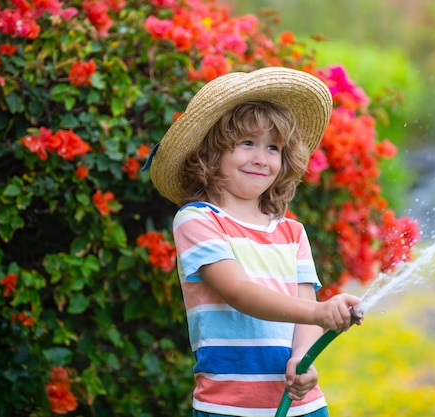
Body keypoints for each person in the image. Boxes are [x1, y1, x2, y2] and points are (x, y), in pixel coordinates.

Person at [145, 67, 363, 417]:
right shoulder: (198, 220)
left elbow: (303, 310)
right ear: (210, 152)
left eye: (273, 147)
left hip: (302, 406)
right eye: (247, 143)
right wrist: (321, 312)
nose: (262, 158)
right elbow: (238, 292)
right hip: (230, 406)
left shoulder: (292, 232)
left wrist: (301, 360)